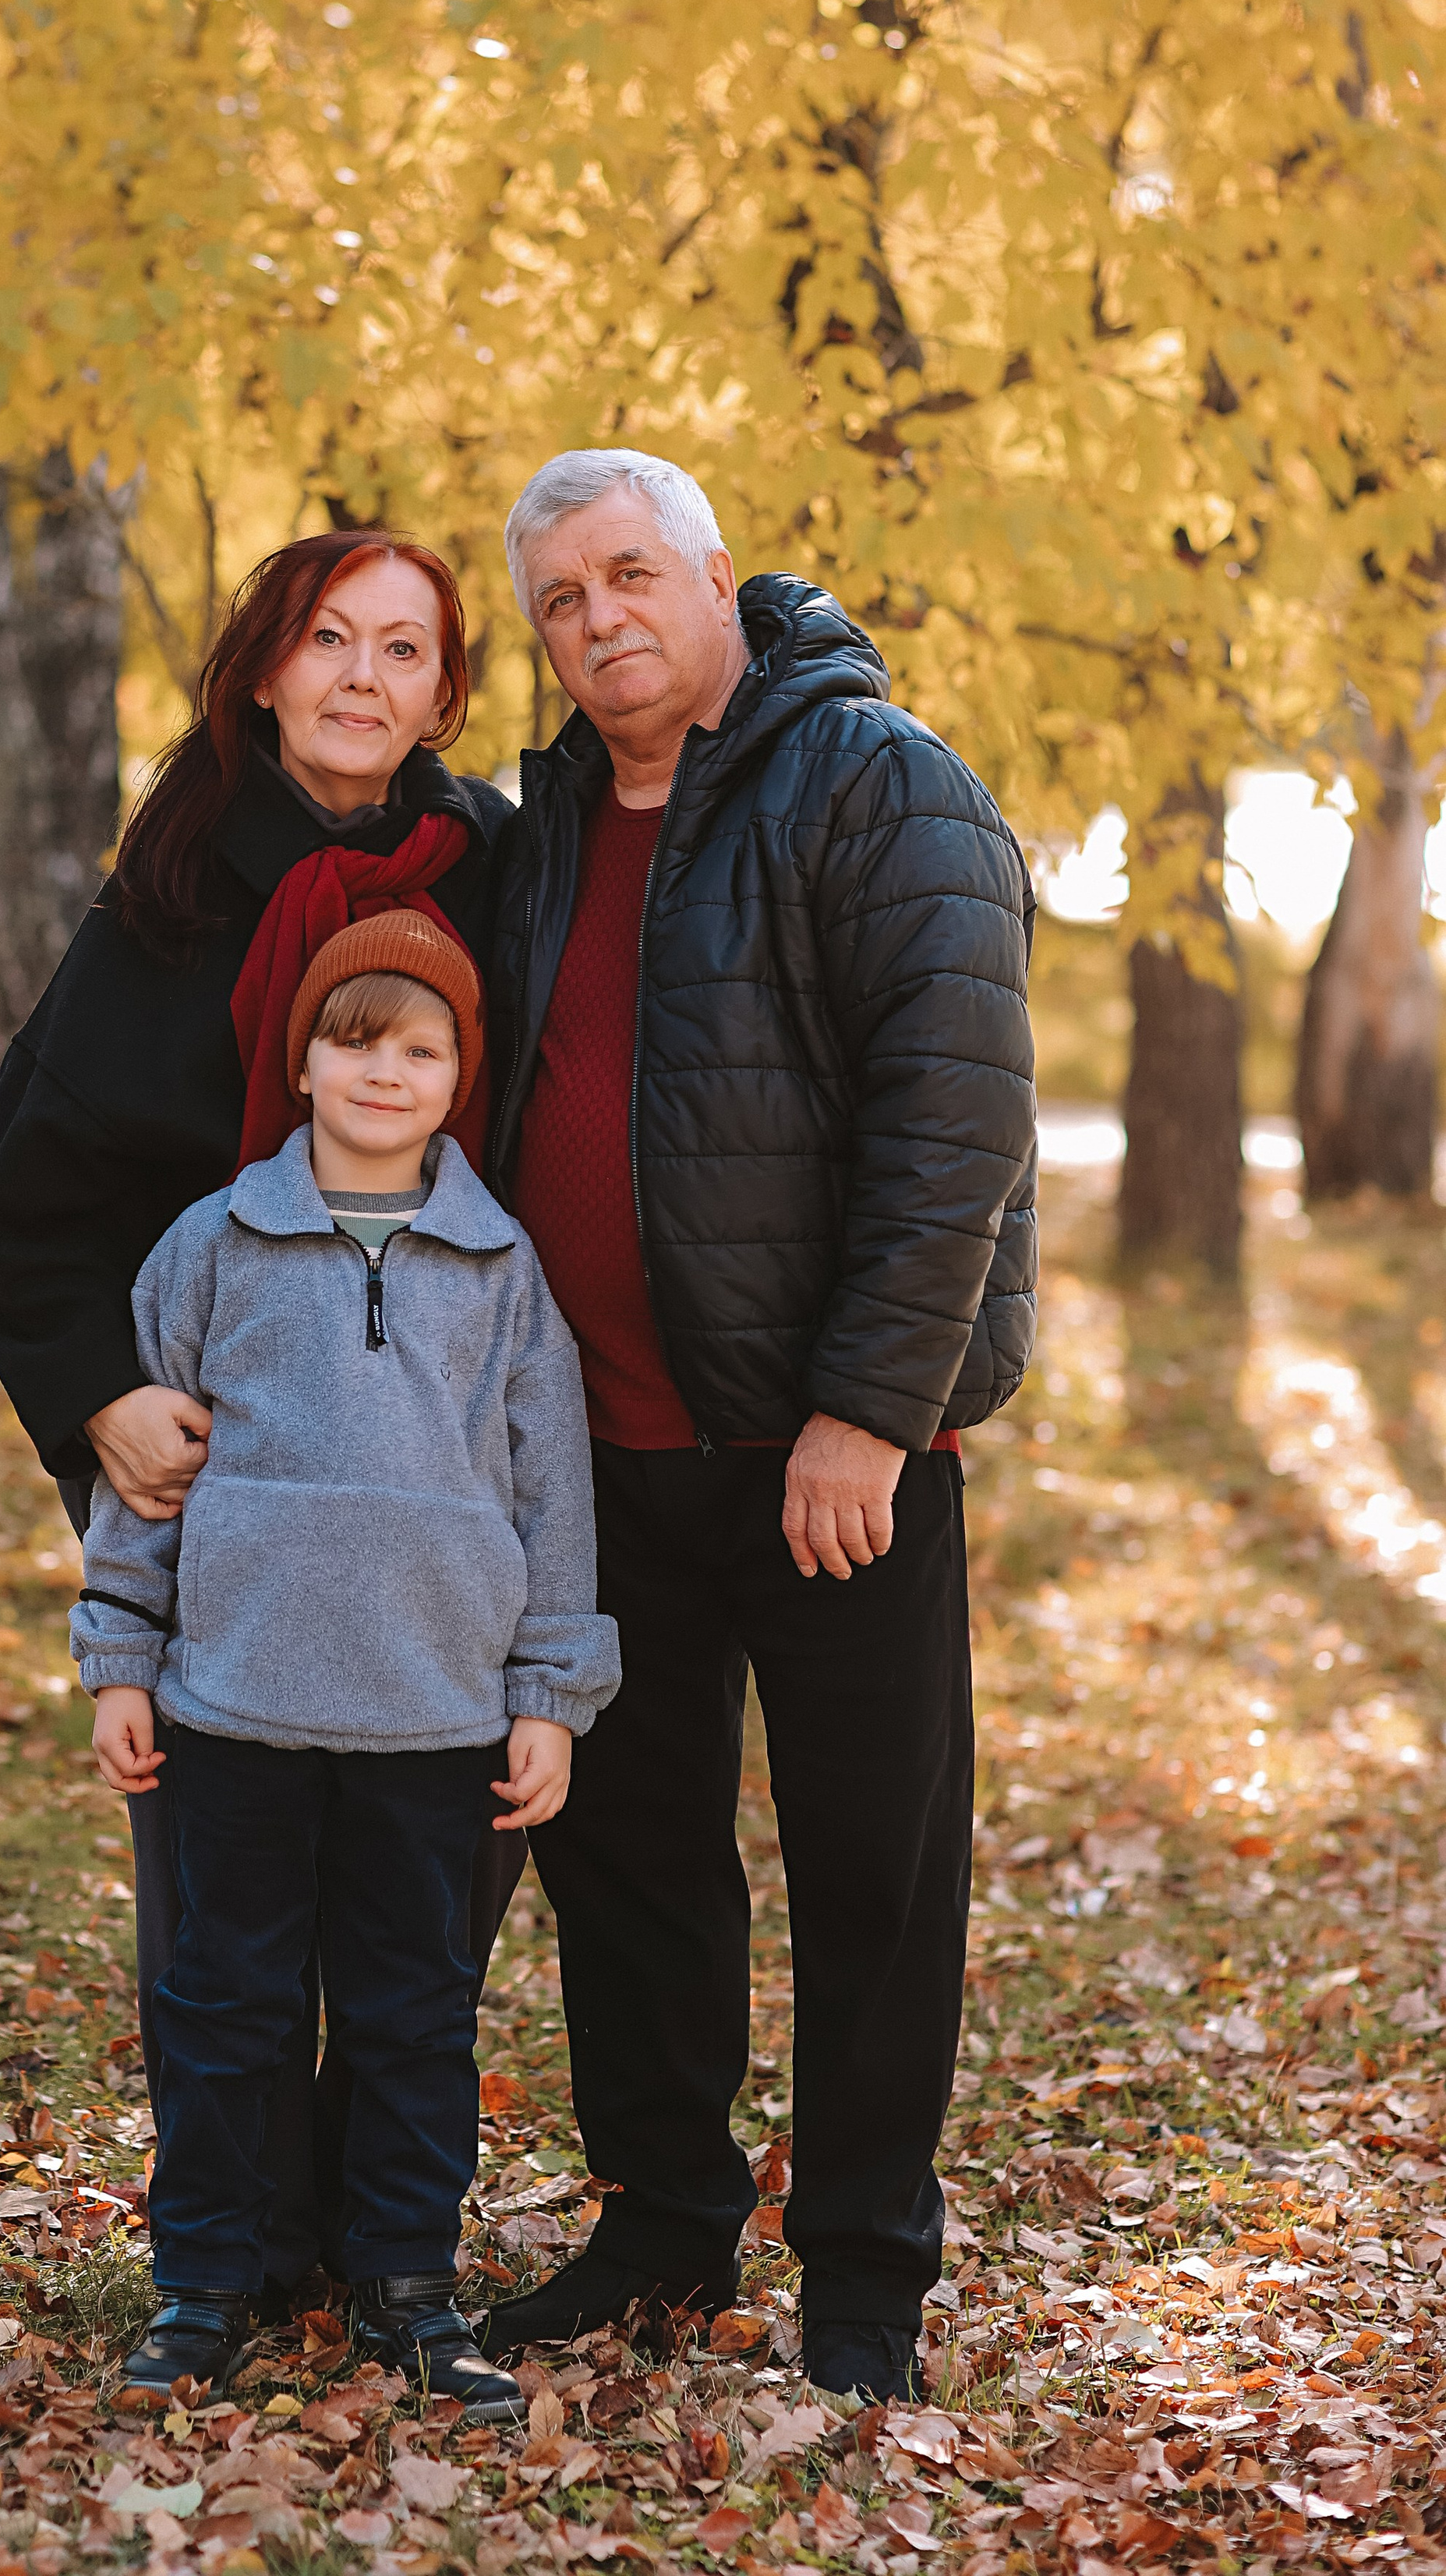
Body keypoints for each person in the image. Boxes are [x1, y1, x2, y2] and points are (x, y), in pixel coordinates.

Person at [475, 448, 1038, 2407]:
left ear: (716, 573)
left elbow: (952, 1122)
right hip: (604, 1461)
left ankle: (865, 2271)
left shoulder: (874, 777)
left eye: (628, 574)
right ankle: (657, 2226)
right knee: (627, 1864)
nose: (597, 619)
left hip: (834, 1469)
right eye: (558, 600)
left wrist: (864, 1415)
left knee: (869, 1872)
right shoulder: (543, 818)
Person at [0, 529, 525, 2305]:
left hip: (437, 1467)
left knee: (423, 1883)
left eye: (402, 651)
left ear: (446, 691)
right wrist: (99, 1402)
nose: (362, 678)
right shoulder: (174, 886)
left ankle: (376, 2226)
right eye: (327, 641)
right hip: (211, 1456)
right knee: (220, 1888)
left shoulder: (497, 870)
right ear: (266, 669)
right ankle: (234, 2236)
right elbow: (33, 1199)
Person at [72, 911, 619, 2410]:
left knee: (414, 2017)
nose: (386, 1071)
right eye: (354, 1040)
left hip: (435, 1720)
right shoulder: (215, 1244)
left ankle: (408, 2285)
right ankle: (201, 2280)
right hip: (235, 1706)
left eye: (422, 1048)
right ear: (302, 1060)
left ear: (461, 1078)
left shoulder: (502, 1270)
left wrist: (549, 1696)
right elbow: (147, 1480)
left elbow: (550, 1494)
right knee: (225, 2004)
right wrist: (121, 1653)